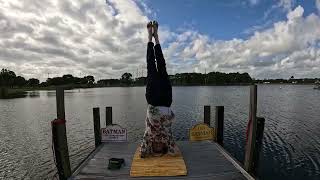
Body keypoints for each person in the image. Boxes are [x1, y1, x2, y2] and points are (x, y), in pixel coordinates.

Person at [140, 21, 179, 158]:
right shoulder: (167, 136)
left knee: (151, 64)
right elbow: (174, 152)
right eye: (159, 148)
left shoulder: (148, 135)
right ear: (164, 146)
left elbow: (143, 152)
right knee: (161, 64)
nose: (157, 145)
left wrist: (147, 152)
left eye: (154, 147)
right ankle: (156, 37)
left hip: (152, 99)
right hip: (166, 99)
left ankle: (149, 38)